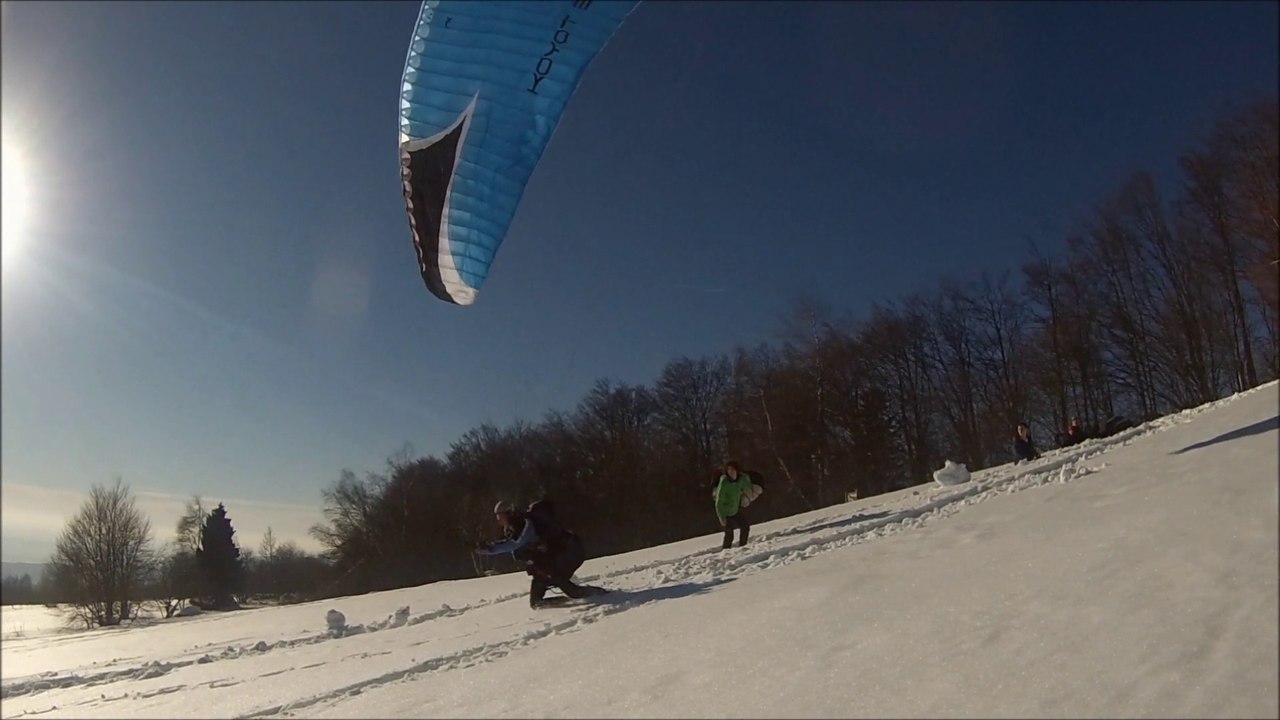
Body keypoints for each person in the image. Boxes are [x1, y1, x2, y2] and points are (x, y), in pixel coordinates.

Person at [474, 499, 605, 608]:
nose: (498, 521)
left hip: (570, 551)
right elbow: (511, 544)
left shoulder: (525, 523)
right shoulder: (514, 528)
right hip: (549, 562)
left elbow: (515, 544)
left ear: (509, 514)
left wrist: (488, 549)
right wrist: (484, 547)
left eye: (500, 517)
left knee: (568, 587)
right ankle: (570, 605)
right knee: (536, 603)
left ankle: (601, 595)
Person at [714, 461, 753, 549]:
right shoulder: (724, 482)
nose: (731, 472)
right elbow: (719, 500)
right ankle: (726, 552)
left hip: (735, 509)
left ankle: (743, 547)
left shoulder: (741, 479)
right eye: (729, 470)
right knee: (729, 534)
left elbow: (747, 486)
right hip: (725, 511)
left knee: (745, 527)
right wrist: (721, 516)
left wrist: (746, 478)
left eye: (733, 469)